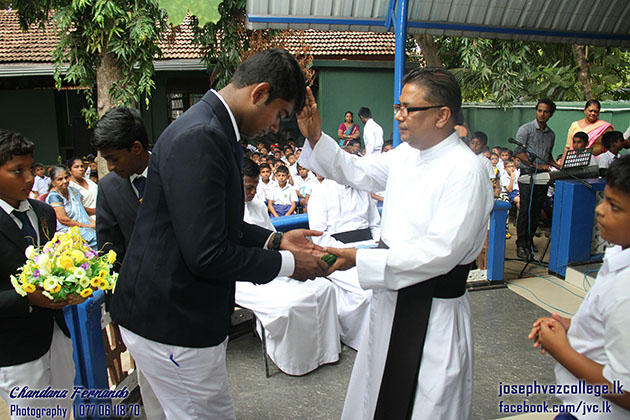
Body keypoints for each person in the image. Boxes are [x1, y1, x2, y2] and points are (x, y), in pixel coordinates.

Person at [109, 48, 328, 420]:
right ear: (258, 93)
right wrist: (291, 264)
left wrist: (274, 239)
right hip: (172, 320)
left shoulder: (216, 128)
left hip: (166, 314)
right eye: (279, 114)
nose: (275, 127)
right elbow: (207, 252)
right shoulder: (202, 135)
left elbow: (213, 222)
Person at [298, 67, 493, 420]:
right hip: (392, 300)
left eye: (408, 108)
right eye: (397, 106)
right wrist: (315, 137)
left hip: (433, 309)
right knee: (377, 388)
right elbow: (356, 171)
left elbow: (441, 252)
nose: (399, 116)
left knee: (426, 401)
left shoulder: (467, 170)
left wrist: (361, 259)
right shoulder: (406, 154)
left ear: (442, 115)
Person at [528, 155, 630, 418]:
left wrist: (560, 349)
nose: (600, 209)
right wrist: (573, 327)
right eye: (605, 199)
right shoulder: (619, 253)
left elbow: (625, 392)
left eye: (615, 206)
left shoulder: (625, 291)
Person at [235, 158, 341, 375]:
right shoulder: (225, 210)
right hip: (244, 274)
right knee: (289, 305)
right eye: (248, 187)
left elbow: (270, 237)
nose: (254, 192)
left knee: (324, 289)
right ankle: (295, 362)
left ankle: (325, 353)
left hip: (272, 262)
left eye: (256, 186)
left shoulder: (257, 205)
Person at [0, 129, 78, 420]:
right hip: (14, 345)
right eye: (16, 171)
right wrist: (29, 299)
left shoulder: (44, 212)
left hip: (56, 332)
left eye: (30, 168)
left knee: (62, 407)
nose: (29, 178)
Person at [308, 171, 380, 350]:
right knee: (368, 292)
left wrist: (377, 243)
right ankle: (362, 340)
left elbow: (375, 225)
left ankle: (383, 339)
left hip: (369, 248)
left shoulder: (363, 190)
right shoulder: (320, 192)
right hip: (337, 253)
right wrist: (349, 252)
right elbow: (320, 236)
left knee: (385, 285)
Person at [91, 106, 151, 268]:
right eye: (106, 160)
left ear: (136, 148)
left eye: (114, 159)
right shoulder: (107, 188)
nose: (110, 167)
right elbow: (109, 248)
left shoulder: (170, 172)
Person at [514, 98, 560, 261]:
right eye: (539, 110)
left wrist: (556, 164)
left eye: (546, 111)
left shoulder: (551, 134)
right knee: (525, 210)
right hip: (527, 175)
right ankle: (520, 244)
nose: (542, 114)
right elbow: (519, 153)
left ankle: (529, 240)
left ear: (551, 114)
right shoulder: (525, 129)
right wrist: (537, 166)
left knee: (536, 210)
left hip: (542, 178)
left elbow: (547, 155)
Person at [45, 165, 97, 249]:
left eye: (66, 177)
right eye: (60, 179)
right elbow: (63, 220)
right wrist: (87, 226)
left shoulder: (73, 191)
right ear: (53, 182)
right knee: (96, 239)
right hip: (67, 229)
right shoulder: (54, 196)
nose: (65, 181)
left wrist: (92, 222)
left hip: (82, 226)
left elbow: (81, 210)